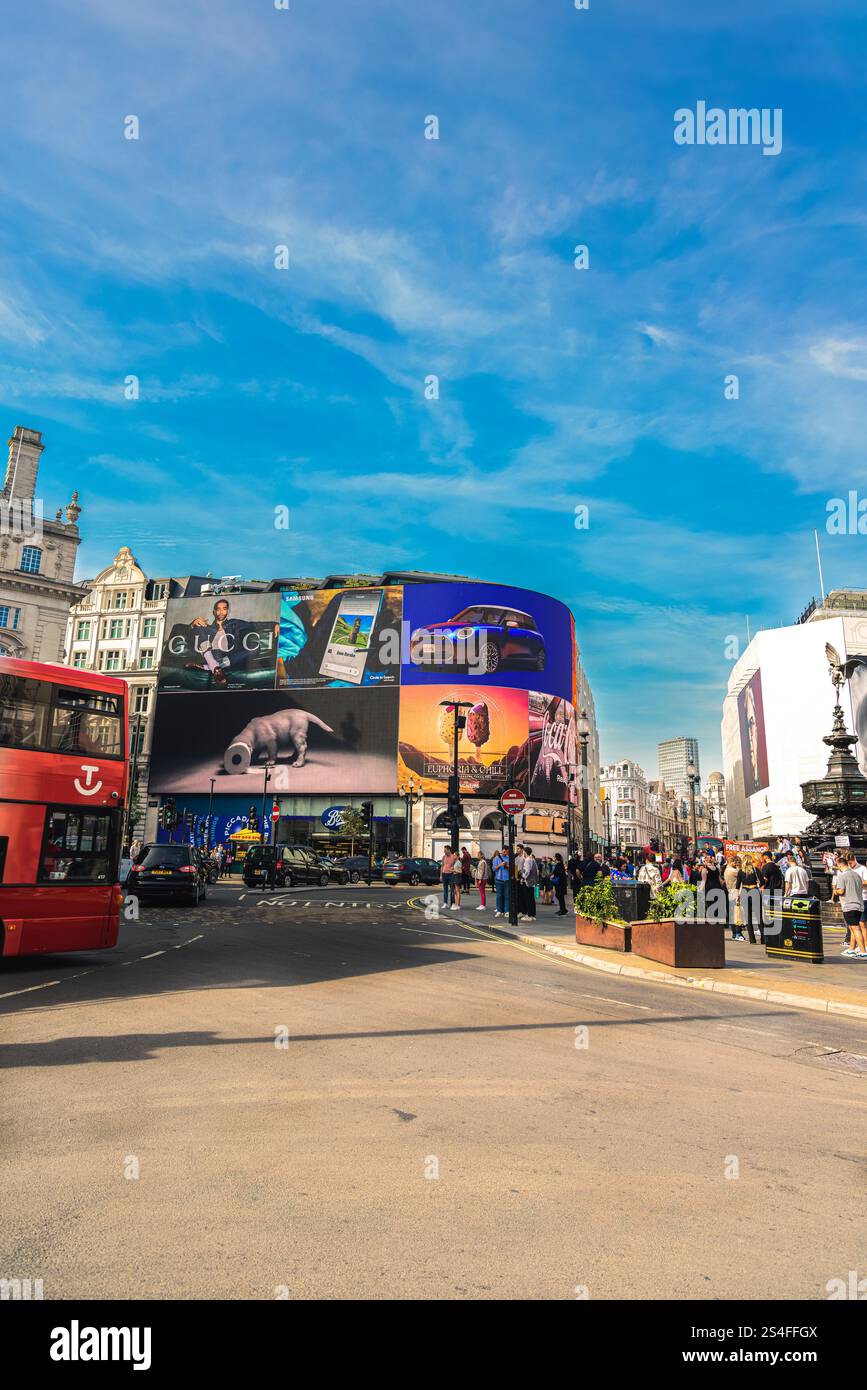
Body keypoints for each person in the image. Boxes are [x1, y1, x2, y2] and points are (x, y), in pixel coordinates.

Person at [836, 856, 867, 958]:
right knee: (853, 928)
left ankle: (863, 951)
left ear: (840, 865)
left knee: (855, 928)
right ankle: (851, 949)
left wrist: (836, 891)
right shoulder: (857, 875)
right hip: (859, 903)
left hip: (849, 904)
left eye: (838, 866)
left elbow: (841, 891)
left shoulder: (842, 876)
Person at [736, 856, 763, 944]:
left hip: (744, 892)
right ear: (751, 861)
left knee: (748, 917)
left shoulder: (740, 871)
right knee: (759, 916)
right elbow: (762, 881)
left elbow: (737, 886)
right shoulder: (755, 870)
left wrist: (737, 897)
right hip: (754, 890)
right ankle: (764, 939)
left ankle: (752, 940)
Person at [519, 846, 538, 921]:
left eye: (523, 851)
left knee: (528, 899)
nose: (523, 853)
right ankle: (532, 915)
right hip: (532, 882)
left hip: (527, 882)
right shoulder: (532, 859)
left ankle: (529, 915)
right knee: (531, 899)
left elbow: (527, 872)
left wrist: (522, 876)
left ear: (525, 852)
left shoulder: (527, 860)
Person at [492, 845, 510, 918]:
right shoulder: (496, 858)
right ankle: (499, 911)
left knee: (507, 896)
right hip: (499, 879)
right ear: (502, 850)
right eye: (503, 850)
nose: (505, 852)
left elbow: (512, 870)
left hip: (507, 880)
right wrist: (500, 865)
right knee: (499, 896)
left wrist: (507, 865)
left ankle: (506, 911)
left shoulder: (509, 858)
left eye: (506, 851)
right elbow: (494, 869)